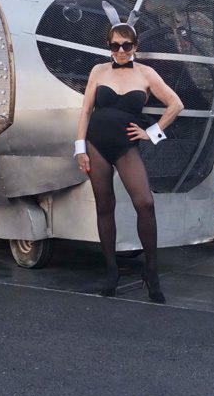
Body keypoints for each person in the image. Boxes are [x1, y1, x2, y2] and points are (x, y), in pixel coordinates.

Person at [74, 20, 183, 302]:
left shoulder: (147, 74)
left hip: (125, 146)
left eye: (126, 45)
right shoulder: (98, 71)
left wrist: (152, 134)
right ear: (108, 46)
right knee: (104, 206)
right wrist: (79, 148)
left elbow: (176, 104)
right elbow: (86, 111)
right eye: (115, 45)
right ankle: (111, 271)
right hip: (96, 144)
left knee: (145, 203)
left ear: (135, 46)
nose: (120, 50)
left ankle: (151, 271)